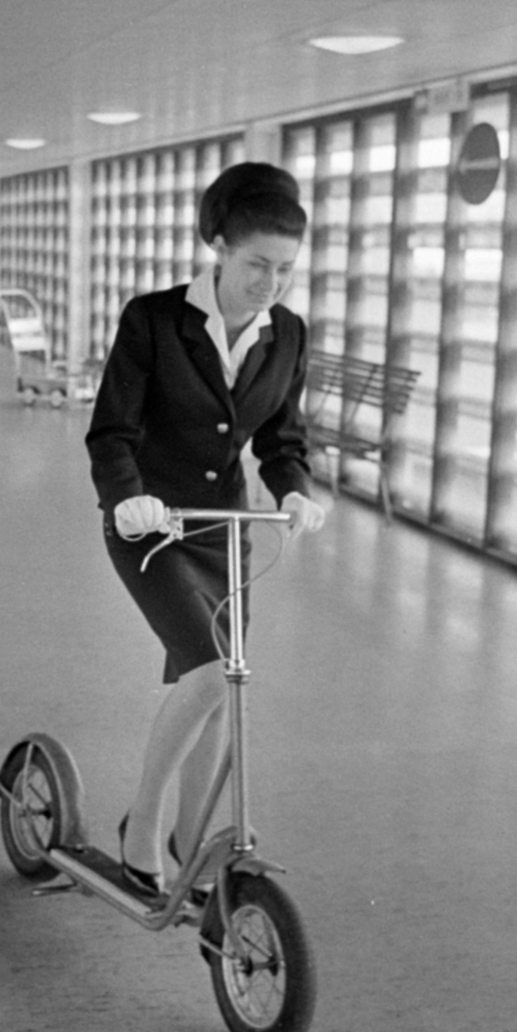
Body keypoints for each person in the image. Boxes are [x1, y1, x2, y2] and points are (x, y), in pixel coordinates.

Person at [85, 162, 326, 900]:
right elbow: (111, 432)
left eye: (285, 269)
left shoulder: (288, 334)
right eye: (258, 265)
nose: (271, 284)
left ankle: (190, 841)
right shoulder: (154, 321)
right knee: (208, 673)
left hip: (224, 531)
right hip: (151, 527)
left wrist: (294, 489)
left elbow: (282, 440)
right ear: (219, 247)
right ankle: (142, 827)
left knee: (220, 690)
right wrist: (126, 498)